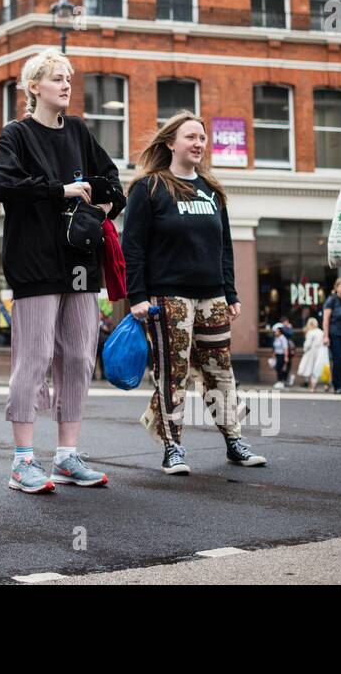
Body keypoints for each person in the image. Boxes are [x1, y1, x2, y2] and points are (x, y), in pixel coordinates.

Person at [0, 48, 126, 493]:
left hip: (80, 265)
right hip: (34, 263)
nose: (66, 84)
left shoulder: (80, 132)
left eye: (68, 77)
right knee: (32, 359)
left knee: (78, 356)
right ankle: (22, 461)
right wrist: (62, 190)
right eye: (55, 78)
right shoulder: (16, 134)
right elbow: (6, 186)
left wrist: (102, 207)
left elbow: (112, 182)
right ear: (34, 87)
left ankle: (66, 456)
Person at [122, 111, 265, 475]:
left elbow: (225, 247)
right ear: (171, 142)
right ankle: (173, 447)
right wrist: (136, 296)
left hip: (212, 296)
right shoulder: (150, 188)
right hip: (168, 297)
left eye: (202, 138)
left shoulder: (211, 191)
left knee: (221, 370)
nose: (199, 143)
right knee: (174, 372)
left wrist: (230, 292)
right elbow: (133, 247)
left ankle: (234, 440)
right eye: (190, 137)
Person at [295, 317, 329, 394]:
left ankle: (312, 387)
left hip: (312, 353)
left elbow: (307, 344)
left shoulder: (310, 333)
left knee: (311, 370)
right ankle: (326, 385)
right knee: (321, 369)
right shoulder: (321, 332)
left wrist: (305, 350)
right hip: (321, 353)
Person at [270, 324, 291, 390]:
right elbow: (275, 348)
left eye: (276, 331)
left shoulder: (282, 338)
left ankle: (281, 382)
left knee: (280, 368)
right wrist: (273, 356)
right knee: (277, 368)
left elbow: (285, 348)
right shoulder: (276, 338)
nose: (275, 332)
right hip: (277, 355)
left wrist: (286, 357)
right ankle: (279, 381)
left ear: (279, 331)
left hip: (282, 355)